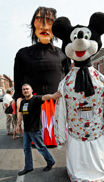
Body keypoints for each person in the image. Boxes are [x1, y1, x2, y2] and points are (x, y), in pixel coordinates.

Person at [14, 6, 71, 146]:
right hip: (34, 110)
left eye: (50, 21)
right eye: (40, 20)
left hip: (57, 108)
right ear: (33, 25)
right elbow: (18, 89)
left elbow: (69, 83)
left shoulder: (64, 54)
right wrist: (18, 121)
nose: (45, 26)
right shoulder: (22, 54)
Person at [16, 84, 62, 176]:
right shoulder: (23, 101)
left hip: (35, 129)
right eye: (24, 89)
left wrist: (53, 96)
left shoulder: (36, 99)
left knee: (40, 147)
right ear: (22, 92)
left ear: (31, 90)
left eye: (27, 89)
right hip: (27, 130)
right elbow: (21, 113)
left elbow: (45, 97)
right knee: (26, 148)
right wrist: (18, 124)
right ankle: (28, 167)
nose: (25, 90)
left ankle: (50, 161)